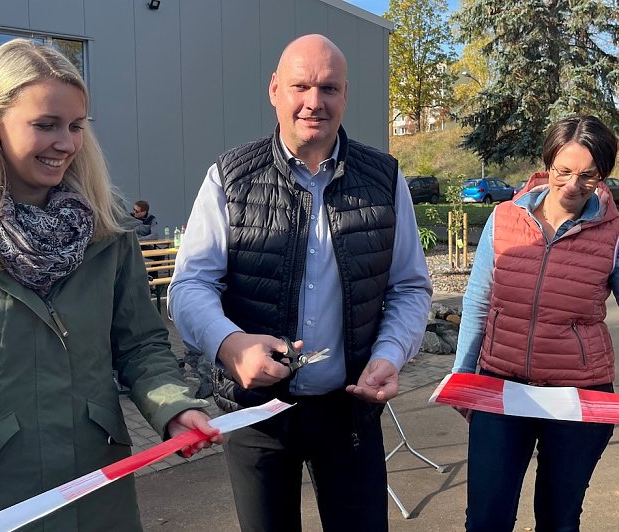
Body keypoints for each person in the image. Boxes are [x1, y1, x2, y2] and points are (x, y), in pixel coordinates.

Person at [0, 39, 221, 531]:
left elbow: (140, 344)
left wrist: (174, 408)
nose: (66, 143)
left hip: (95, 495)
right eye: (46, 125)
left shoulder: (107, 229)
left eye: (76, 126)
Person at [169, 34, 432, 531]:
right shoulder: (230, 177)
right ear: (274, 90)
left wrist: (391, 354)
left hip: (350, 411)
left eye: (329, 88)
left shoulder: (384, 177)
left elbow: (409, 287)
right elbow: (188, 286)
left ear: (346, 95)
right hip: (256, 417)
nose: (315, 102)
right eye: (301, 86)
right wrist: (230, 345)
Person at [452, 115, 619, 531]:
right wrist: (462, 379)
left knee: (559, 520)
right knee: (486, 519)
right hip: (501, 391)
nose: (573, 186)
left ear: (604, 175)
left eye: (588, 176)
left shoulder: (615, 237)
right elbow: (479, 302)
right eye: (564, 171)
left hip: (580, 399)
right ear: (547, 164)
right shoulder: (504, 219)